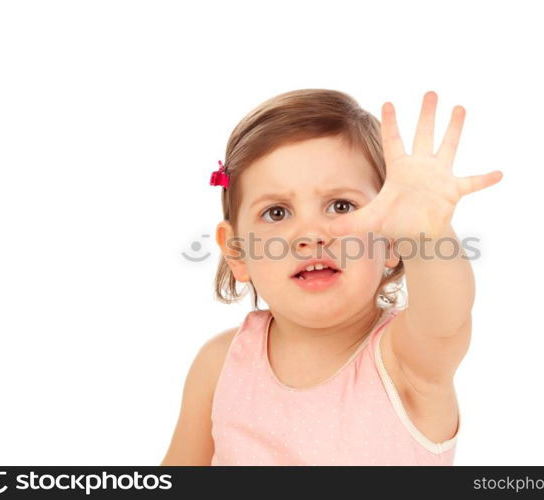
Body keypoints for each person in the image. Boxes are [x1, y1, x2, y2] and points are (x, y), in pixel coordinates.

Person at [161, 89, 503, 466]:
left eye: (341, 206)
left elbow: (446, 316)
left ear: (391, 239)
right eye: (276, 213)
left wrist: (425, 233)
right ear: (237, 251)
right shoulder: (220, 364)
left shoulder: (408, 360)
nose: (311, 233)